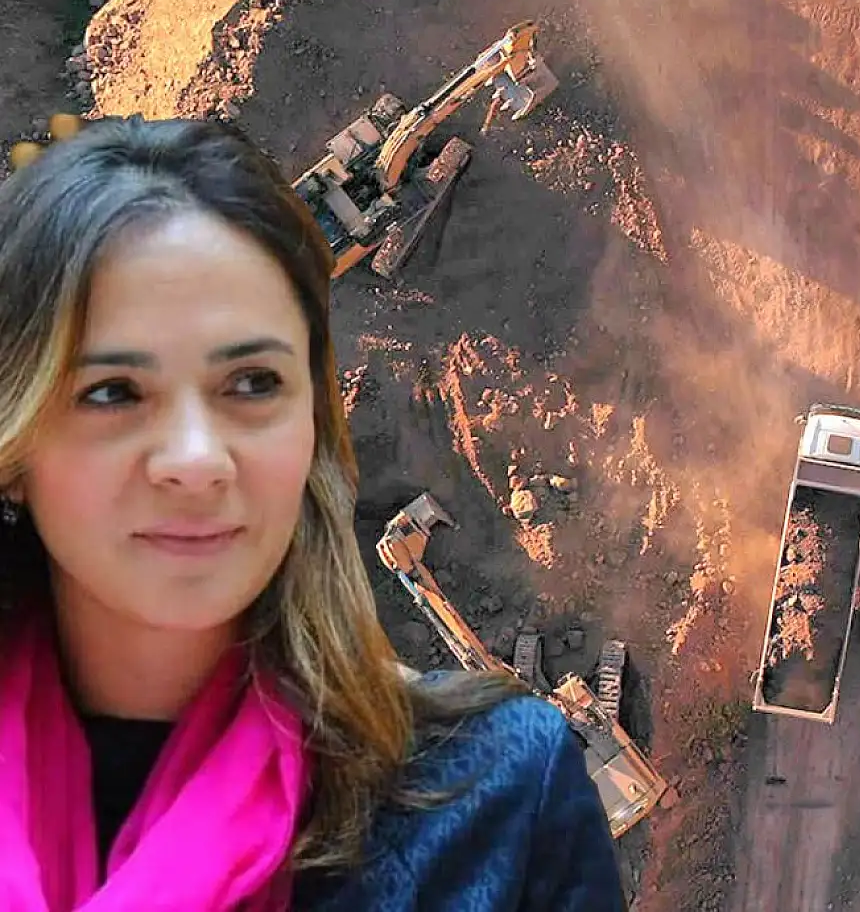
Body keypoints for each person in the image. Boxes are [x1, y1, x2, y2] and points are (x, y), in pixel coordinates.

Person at [0, 116, 627, 911]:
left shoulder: (499, 803)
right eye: (113, 393)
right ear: (16, 451)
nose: (196, 460)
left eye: (252, 383)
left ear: (313, 434)